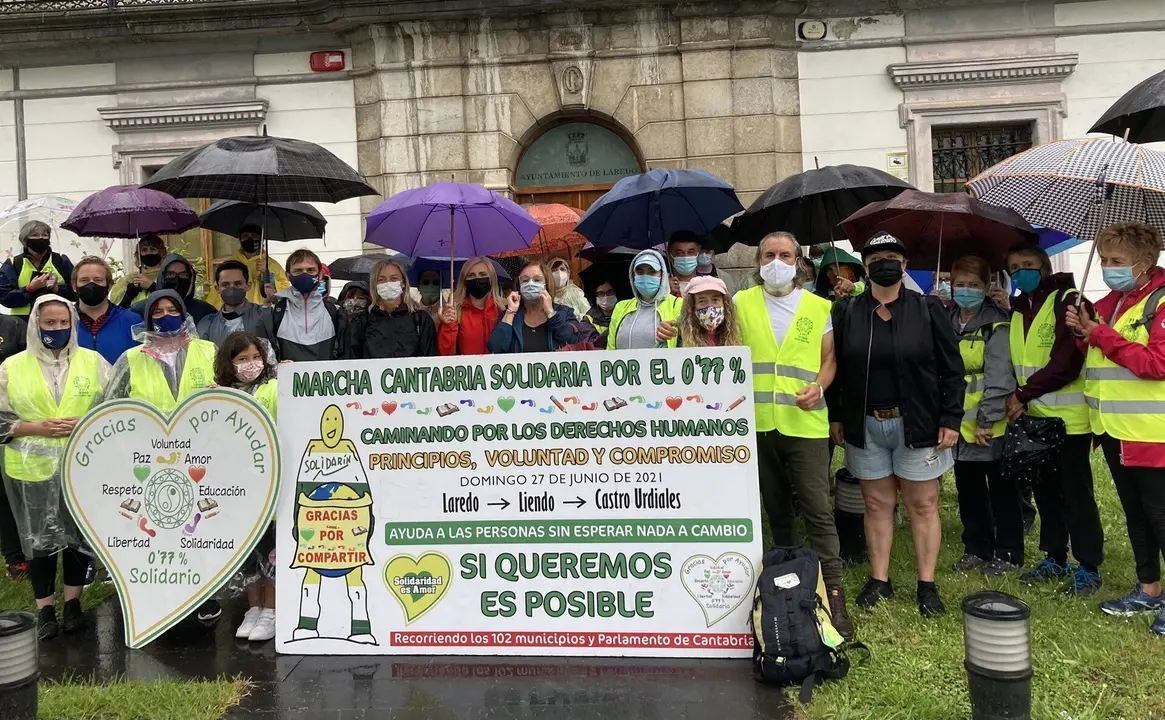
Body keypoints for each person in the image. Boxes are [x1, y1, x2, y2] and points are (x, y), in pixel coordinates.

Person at [826, 231, 965, 618]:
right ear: (864, 266)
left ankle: (927, 584)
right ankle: (880, 579)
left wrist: (951, 418)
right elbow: (835, 370)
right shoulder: (847, 312)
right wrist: (837, 414)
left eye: (892, 256)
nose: (884, 263)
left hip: (918, 423)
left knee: (923, 504)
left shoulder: (929, 309)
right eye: (876, 257)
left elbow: (952, 371)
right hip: (866, 424)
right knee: (876, 503)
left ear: (904, 264)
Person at [734, 231, 850, 637]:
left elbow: (829, 359)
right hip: (759, 424)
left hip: (806, 424)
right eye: (769, 254)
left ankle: (832, 591)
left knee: (818, 508)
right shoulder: (741, 302)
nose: (776, 261)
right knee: (778, 509)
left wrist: (818, 387)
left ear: (799, 261)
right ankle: (787, 588)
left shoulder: (819, 307)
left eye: (784, 254)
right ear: (758, 261)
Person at [1066, 222, 1165, 634]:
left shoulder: (1160, 302)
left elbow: (1156, 364)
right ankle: (1149, 589)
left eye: (1117, 261)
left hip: (1153, 435)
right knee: (1136, 515)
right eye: (1104, 260)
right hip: (1113, 431)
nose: (1108, 267)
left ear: (1144, 264)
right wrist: (1080, 331)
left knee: (1160, 516)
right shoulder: (1112, 302)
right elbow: (1097, 354)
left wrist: (1101, 335)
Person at [0, 295, 111, 639]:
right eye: (49, 323)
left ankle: (73, 602)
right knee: (39, 541)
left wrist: (85, 421)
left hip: (82, 465)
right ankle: (45, 608)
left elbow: (114, 406)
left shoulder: (93, 362)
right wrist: (37, 428)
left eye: (64, 323)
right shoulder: (11, 367)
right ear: (35, 325)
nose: (57, 329)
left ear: (73, 324)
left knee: (77, 537)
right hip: (30, 467)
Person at [108, 289, 222, 622]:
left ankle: (203, 594)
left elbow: (231, 395)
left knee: (199, 528)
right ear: (147, 319)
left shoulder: (208, 350)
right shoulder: (132, 359)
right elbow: (111, 407)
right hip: (149, 460)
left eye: (173, 309)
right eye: (157, 312)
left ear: (184, 313)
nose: (166, 316)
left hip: (201, 457)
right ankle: (161, 596)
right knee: (156, 528)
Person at [1005, 241, 1104, 595]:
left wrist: (1022, 393)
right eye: (1014, 267)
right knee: (1046, 491)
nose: (1021, 272)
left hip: (1069, 418)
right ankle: (1054, 557)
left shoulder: (1070, 302)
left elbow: (1067, 362)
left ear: (1044, 267)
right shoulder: (1019, 309)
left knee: (1075, 492)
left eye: (1028, 264)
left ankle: (1088, 565)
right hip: (1037, 418)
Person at [947, 255, 1021, 576]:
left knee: (1002, 492)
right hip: (959, 426)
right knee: (969, 491)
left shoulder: (997, 324)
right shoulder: (947, 320)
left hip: (989, 425)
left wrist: (986, 421)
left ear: (987, 286)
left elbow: (1000, 379)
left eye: (973, 285)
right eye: (959, 284)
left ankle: (1009, 552)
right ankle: (976, 547)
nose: (965, 290)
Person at [213, 331, 278, 641]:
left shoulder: (274, 388)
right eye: (242, 359)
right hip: (237, 488)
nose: (251, 364)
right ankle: (253, 608)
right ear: (229, 363)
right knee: (249, 553)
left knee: (271, 551)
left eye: (255, 358)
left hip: (269, 486)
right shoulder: (219, 394)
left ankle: (273, 610)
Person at [345, 257, 437, 359]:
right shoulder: (362, 321)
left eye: (394, 279)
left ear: (403, 283)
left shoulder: (420, 320)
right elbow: (352, 363)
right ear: (375, 285)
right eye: (381, 280)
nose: (388, 283)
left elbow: (431, 359)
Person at [488, 261, 584, 354]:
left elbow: (576, 342)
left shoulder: (565, 312)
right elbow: (496, 348)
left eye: (537, 280)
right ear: (519, 285)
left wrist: (551, 313)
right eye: (525, 280)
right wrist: (510, 312)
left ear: (547, 284)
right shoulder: (508, 314)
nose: (530, 284)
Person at [271, 250, 345, 362]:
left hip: (325, 378)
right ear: (287, 275)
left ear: (320, 274)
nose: (304, 274)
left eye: (311, 270)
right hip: (287, 379)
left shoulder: (335, 311)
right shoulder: (274, 312)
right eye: (298, 271)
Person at [607, 249, 682, 350]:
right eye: (640, 272)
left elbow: (690, 341)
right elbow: (610, 349)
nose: (645, 277)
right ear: (633, 276)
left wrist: (675, 333)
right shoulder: (620, 307)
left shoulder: (678, 304)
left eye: (652, 272)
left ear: (662, 275)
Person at [73, 257, 142, 365]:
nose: (91, 285)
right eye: (84, 280)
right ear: (74, 286)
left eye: (98, 280)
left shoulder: (132, 322)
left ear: (109, 286)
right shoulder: (64, 322)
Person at [196, 261, 276, 350]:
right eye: (225, 285)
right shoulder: (207, 324)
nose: (232, 288)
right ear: (217, 289)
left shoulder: (264, 314)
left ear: (248, 286)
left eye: (237, 284)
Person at [0, 221, 76, 315]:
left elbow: (77, 293)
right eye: (35, 235)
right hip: (22, 322)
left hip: (56, 320)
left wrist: (57, 288)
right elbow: (4, 297)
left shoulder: (60, 261)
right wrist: (29, 289)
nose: (40, 238)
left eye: (45, 235)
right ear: (25, 240)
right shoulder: (14, 263)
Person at [204, 225, 289, 307]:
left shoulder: (271, 264)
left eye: (254, 236)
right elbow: (218, 292)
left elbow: (284, 289)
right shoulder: (230, 263)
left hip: (261, 311)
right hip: (235, 311)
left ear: (261, 239)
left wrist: (268, 273)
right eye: (245, 236)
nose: (249, 239)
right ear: (240, 240)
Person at [0, 313, 26, 580]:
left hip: (9, 419)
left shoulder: (12, 325)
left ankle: (24, 555)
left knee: (9, 492)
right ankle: (14, 559)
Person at [438, 257, 502, 356]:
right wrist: (448, 326)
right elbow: (445, 354)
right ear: (464, 281)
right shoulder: (456, 312)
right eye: (471, 275)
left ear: (491, 279)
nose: (477, 278)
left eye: (483, 274)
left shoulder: (502, 311)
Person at [130, 253, 217, 325]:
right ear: (162, 277)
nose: (177, 279)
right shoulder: (140, 310)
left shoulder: (204, 310)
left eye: (183, 275)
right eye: (171, 274)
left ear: (190, 278)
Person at [679, 276, 741, 348]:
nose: (710, 306)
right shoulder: (678, 334)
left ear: (724, 303)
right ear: (692, 306)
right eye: (702, 301)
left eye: (715, 300)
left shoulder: (735, 331)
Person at [111, 234, 166, 307]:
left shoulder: (166, 275)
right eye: (144, 250)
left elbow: (174, 299)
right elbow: (117, 309)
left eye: (153, 249)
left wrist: (152, 286)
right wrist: (129, 294)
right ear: (139, 254)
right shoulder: (130, 279)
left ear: (161, 252)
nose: (148, 253)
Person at [667, 231, 705, 296]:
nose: (685, 257)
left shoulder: (708, 284)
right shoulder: (661, 286)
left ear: (698, 253)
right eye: (679, 253)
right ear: (669, 255)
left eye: (691, 252)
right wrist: (665, 293)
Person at [583, 281, 619, 349]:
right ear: (595, 296)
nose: (606, 297)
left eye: (610, 292)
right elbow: (591, 345)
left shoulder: (625, 313)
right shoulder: (588, 319)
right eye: (601, 293)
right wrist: (613, 328)